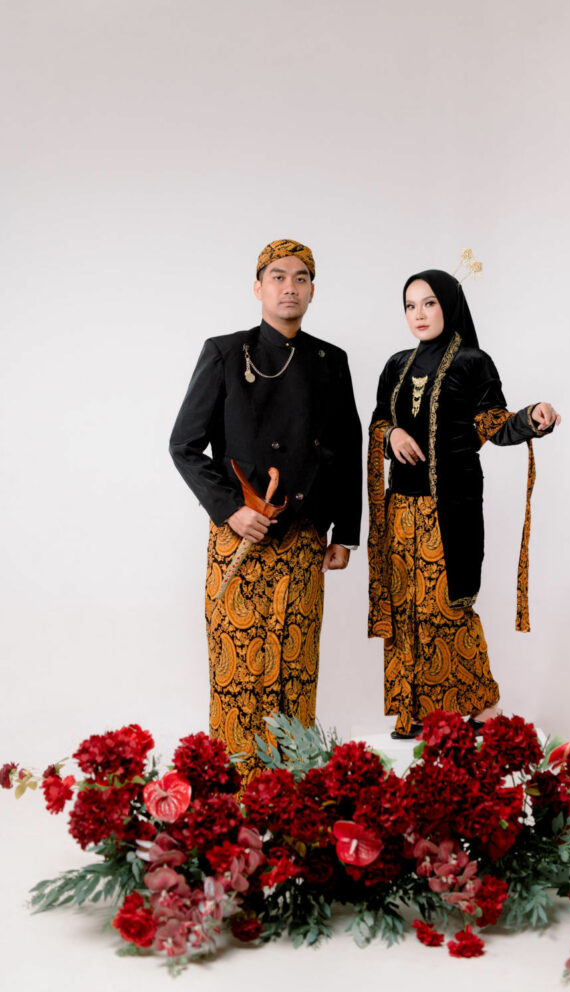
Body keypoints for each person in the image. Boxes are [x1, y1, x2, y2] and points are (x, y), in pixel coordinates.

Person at [170, 239, 362, 780]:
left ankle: (293, 796)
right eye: (277, 276)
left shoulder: (331, 360)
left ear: (312, 291)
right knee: (237, 675)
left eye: (301, 278)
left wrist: (345, 533)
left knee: (295, 671)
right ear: (258, 287)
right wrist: (231, 510)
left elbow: (347, 451)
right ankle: (231, 798)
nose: (289, 287)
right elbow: (184, 445)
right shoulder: (225, 352)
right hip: (240, 538)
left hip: (302, 540)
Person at [367, 269, 560, 739]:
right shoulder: (396, 364)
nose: (419, 314)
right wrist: (392, 434)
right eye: (410, 305)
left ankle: (481, 705)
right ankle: (414, 712)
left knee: (447, 606)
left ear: (449, 306)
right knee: (405, 608)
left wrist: (532, 418)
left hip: (449, 507)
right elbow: (378, 421)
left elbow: (494, 424)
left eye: (429, 303)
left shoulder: (474, 362)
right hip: (400, 510)